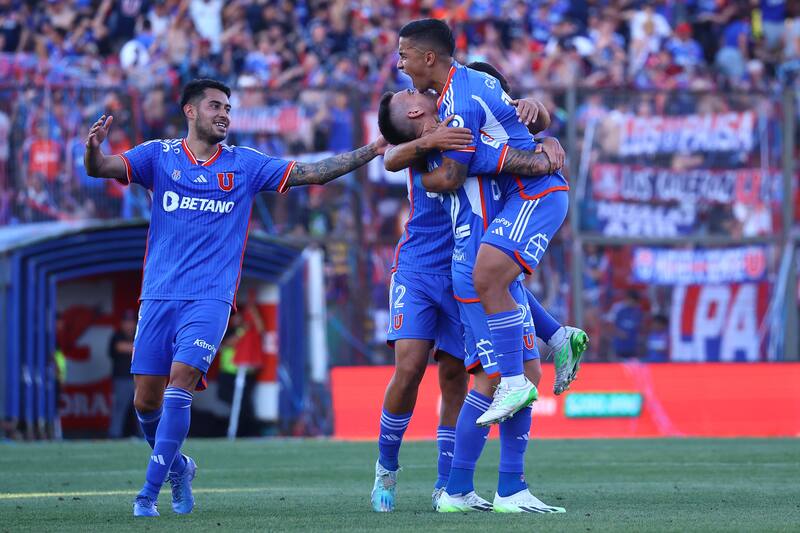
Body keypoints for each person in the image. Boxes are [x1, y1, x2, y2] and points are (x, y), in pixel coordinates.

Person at [83, 78, 387, 518]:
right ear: (190, 111)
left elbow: (313, 172)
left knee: (180, 381)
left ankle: (147, 495)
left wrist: (371, 150)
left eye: (228, 107)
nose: (224, 113)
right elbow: (100, 168)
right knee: (145, 400)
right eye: (215, 106)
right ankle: (179, 468)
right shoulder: (159, 157)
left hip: (211, 298)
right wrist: (92, 149)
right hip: (158, 296)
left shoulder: (245, 165)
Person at [377, 63, 574, 513]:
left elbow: (518, 132)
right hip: (454, 266)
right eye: (410, 95)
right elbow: (406, 162)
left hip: (475, 265)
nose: (417, 89)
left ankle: (481, 486)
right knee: (477, 377)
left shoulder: (457, 131)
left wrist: (539, 120)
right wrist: (543, 154)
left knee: (514, 375)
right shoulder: (448, 142)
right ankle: (454, 484)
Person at [393, 19, 587, 428]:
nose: (400, 66)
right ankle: (555, 338)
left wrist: (541, 132)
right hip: (439, 262)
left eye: (404, 56)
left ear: (428, 58)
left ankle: (476, 488)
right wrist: (425, 148)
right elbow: (390, 156)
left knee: (490, 372)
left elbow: (459, 171)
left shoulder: (457, 109)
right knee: (456, 364)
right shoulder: (427, 129)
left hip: (480, 240)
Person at [108, 309, 137, 439]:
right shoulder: (117, 335)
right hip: (122, 379)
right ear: (122, 323)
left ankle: (145, 436)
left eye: (131, 322)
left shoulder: (139, 335)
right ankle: (114, 435)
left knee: (143, 408)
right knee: (119, 408)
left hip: (139, 379)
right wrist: (134, 348)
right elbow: (118, 347)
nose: (129, 325)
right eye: (126, 322)